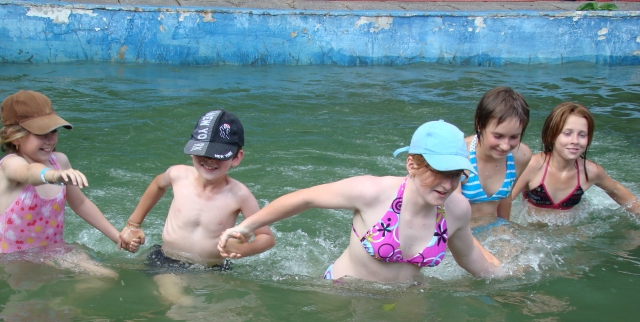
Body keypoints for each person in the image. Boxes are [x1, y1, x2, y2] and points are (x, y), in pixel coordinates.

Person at [218, 120, 501, 283]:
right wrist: (245, 227)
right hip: (344, 292)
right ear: (412, 164)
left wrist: (511, 280)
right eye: (438, 172)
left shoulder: (456, 210)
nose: (448, 184)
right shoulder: (373, 192)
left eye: (455, 175)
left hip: (405, 303)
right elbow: (305, 198)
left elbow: (471, 260)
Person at [119, 109, 275, 274]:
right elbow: (158, 184)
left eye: (218, 155)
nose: (210, 160)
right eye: (204, 152)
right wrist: (133, 224)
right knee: (173, 289)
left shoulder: (240, 195)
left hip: (211, 268)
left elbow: (266, 237)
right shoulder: (178, 175)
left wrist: (244, 249)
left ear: (236, 158)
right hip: (166, 259)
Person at [0, 90, 139, 261]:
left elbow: (80, 203)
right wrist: (54, 175)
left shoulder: (60, 161)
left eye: (54, 131)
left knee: (107, 274)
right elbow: (28, 173)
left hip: (52, 251)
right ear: (14, 137)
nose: (50, 139)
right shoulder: (10, 164)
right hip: (14, 259)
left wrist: (117, 237)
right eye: (41, 133)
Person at [510, 102, 640, 216]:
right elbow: (505, 201)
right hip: (531, 230)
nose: (575, 141)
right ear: (552, 135)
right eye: (567, 133)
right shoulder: (532, 166)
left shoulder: (591, 172)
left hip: (569, 231)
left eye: (582, 135)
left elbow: (615, 189)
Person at [460, 87, 532, 221]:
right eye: (498, 136)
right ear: (480, 124)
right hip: (460, 230)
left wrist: (506, 227)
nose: (506, 146)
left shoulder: (520, 156)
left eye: (514, 137)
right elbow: (447, 213)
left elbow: (506, 197)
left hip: (493, 227)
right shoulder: (460, 156)